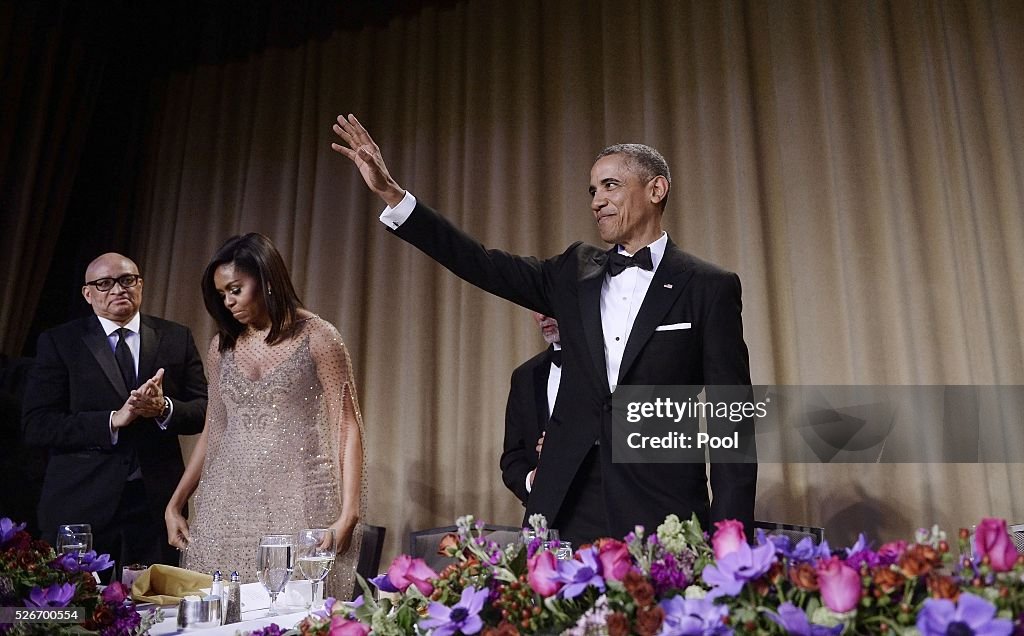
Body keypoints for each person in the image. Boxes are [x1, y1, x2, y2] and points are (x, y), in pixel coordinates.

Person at [331, 114, 756, 546]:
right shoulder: (574, 271)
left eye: (610, 185)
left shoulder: (707, 286)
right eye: (592, 190)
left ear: (656, 189)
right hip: (565, 504)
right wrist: (394, 196)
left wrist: (731, 537)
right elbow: (481, 262)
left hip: (661, 507)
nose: (596, 201)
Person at [164, 233, 366, 599]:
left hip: (302, 500)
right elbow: (214, 430)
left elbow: (347, 427)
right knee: (221, 612)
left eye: (236, 289)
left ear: (267, 278)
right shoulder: (221, 347)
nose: (228, 302)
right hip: (227, 507)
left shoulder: (319, 337)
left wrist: (349, 512)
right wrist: (176, 502)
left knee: (296, 612)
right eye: (223, 294)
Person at [22, 253, 208, 569]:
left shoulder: (176, 336)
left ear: (140, 284)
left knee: (154, 608)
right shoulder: (60, 342)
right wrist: (112, 420)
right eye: (105, 283)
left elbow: (205, 411)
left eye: (127, 280)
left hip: (155, 503)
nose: (118, 289)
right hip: (81, 501)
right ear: (88, 293)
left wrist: (162, 408)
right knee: (77, 611)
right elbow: (37, 424)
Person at [500, 313, 560, 506]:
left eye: (548, 303)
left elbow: (640, 444)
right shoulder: (524, 376)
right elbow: (513, 456)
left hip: (607, 519)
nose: (541, 316)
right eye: (535, 306)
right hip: (545, 516)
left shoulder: (616, 364)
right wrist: (531, 480)